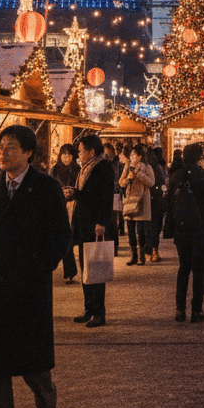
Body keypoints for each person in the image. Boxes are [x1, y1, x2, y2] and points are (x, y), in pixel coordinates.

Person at [0, 125, 72, 408]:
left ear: (29, 153)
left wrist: (39, 267)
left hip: (29, 293)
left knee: (37, 373)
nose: (3, 152)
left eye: (11, 147)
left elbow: (61, 237)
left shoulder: (46, 186)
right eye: (1, 146)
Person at [166, 141, 204, 322]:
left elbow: (169, 202)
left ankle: (179, 309)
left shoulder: (177, 175)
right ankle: (196, 310)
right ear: (199, 158)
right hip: (199, 228)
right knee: (198, 269)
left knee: (183, 268)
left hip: (181, 228)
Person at [67, 133, 116, 328]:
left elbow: (106, 197)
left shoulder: (103, 167)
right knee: (85, 269)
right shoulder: (85, 167)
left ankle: (99, 312)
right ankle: (88, 308)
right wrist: (74, 193)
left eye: (81, 150)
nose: (79, 153)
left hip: (95, 225)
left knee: (95, 270)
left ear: (91, 151)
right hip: (82, 223)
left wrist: (102, 222)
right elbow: (86, 193)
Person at [120, 144, 155, 265]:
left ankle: (141, 256)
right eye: (131, 155)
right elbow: (120, 183)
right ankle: (133, 256)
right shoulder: (127, 167)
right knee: (130, 230)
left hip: (141, 202)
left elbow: (151, 182)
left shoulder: (147, 167)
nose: (131, 157)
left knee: (140, 231)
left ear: (139, 157)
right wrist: (128, 178)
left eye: (134, 155)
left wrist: (140, 174)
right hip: (130, 202)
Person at [51, 144, 80, 283]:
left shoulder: (78, 170)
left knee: (72, 240)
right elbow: (49, 188)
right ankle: (69, 271)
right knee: (64, 240)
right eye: (64, 155)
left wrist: (73, 192)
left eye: (69, 155)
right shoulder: (54, 170)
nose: (66, 158)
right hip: (59, 208)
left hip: (75, 207)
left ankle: (72, 272)